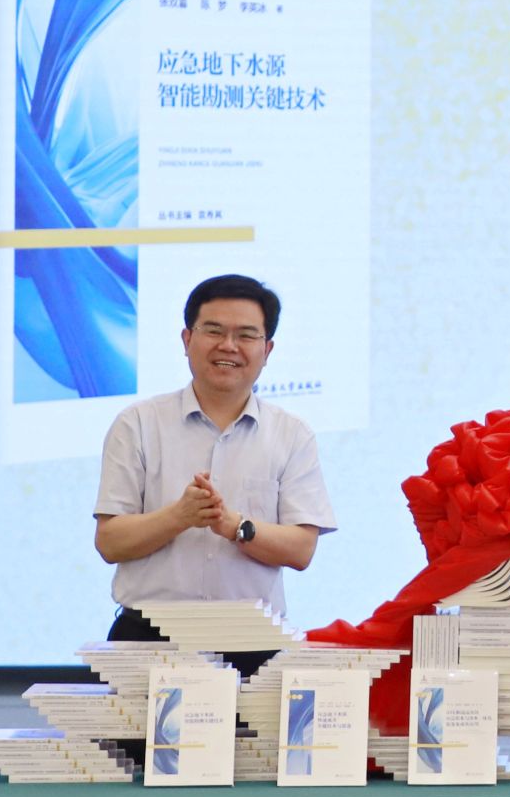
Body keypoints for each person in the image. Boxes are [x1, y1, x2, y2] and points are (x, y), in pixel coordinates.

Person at [94, 274, 335, 676]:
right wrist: (179, 517)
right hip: (148, 638)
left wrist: (236, 526)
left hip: (253, 643)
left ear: (267, 350)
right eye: (214, 331)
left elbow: (301, 549)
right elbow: (109, 542)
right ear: (187, 339)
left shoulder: (292, 434)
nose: (228, 346)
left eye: (246, 335)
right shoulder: (136, 424)